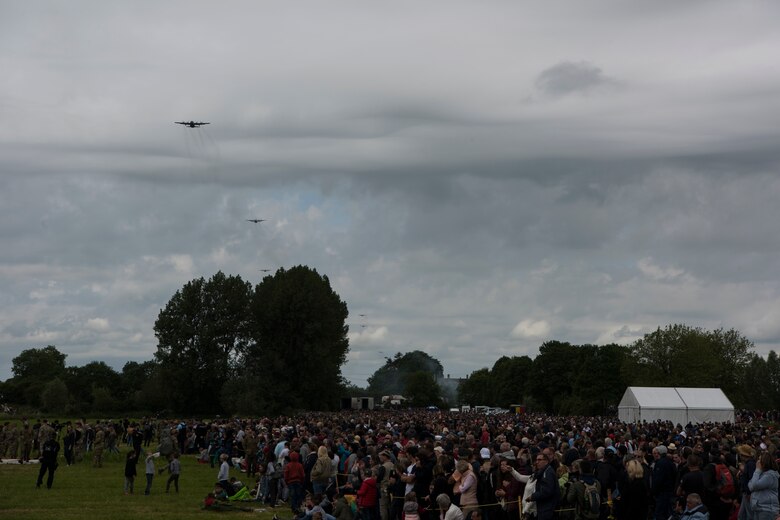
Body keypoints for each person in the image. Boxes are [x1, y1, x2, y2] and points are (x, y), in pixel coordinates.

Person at [527, 453, 560, 520]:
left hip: (547, 508)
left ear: (546, 461)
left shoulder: (547, 473)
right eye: (536, 460)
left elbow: (547, 491)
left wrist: (533, 496)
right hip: (544, 507)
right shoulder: (544, 471)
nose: (537, 462)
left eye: (539, 460)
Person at [748, 452, 779, 520]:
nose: (757, 462)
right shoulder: (762, 474)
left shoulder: (770, 475)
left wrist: (757, 470)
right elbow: (750, 485)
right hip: (759, 508)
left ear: (764, 461)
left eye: (759, 460)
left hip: (767, 509)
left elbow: (754, 485)